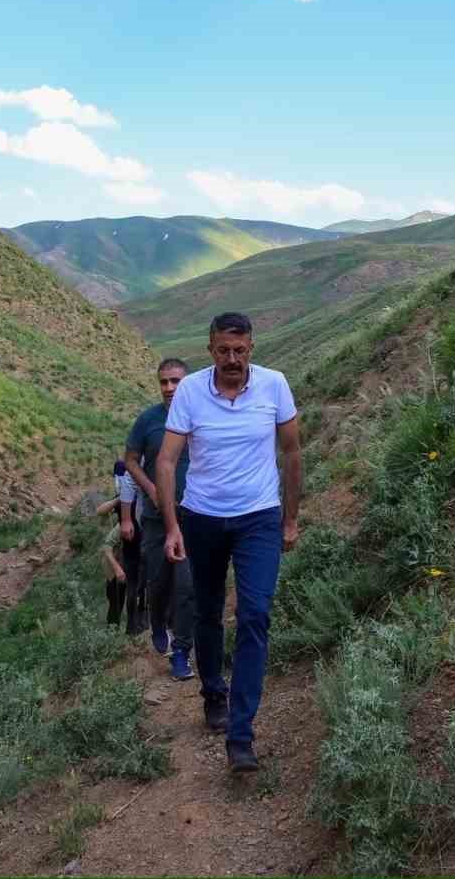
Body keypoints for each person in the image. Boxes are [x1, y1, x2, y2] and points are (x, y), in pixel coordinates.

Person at [155, 312, 303, 774]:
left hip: (259, 517)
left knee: (255, 613)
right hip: (202, 517)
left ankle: (241, 734)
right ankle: (213, 691)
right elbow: (165, 461)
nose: (232, 359)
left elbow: (293, 452)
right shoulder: (192, 392)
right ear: (211, 350)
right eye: (224, 351)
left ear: (252, 349)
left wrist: (291, 518)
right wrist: (173, 525)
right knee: (207, 609)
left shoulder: (275, 385)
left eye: (240, 351)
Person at [124, 359, 196, 682]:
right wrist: (151, 487)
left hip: (193, 517)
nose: (169, 388)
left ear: (187, 382)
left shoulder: (201, 415)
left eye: (175, 381)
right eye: (164, 382)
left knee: (186, 586)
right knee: (158, 581)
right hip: (155, 519)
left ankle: (181, 651)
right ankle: (156, 622)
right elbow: (129, 460)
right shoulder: (148, 420)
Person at [101, 461, 145, 631]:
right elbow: (107, 546)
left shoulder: (141, 505)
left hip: (135, 560)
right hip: (120, 562)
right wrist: (121, 498)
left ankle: (134, 631)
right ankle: (112, 634)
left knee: (135, 595)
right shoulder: (123, 520)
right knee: (116, 601)